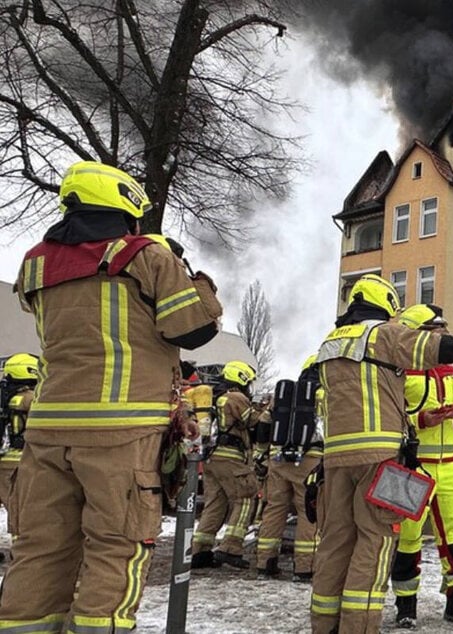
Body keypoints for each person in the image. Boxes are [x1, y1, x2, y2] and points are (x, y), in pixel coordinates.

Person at [0, 160, 222, 632]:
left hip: (48, 433)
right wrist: (188, 273)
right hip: (122, 434)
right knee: (115, 547)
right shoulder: (146, 256)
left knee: (39, 551)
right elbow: (195, 328)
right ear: (125, 208)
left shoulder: (36, 262)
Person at [310, 274, 453, 634]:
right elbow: (449, 347)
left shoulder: (330, 343)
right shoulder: (384, 336)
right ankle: (361, 625)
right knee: (376, 542)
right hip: (383, 458)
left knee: (336, 542)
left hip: (338, 457)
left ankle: (325, 624)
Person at [391, 304, 453, 628]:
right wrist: (421, 419)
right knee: (407, 541)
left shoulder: (449, 371)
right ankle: (406, 606)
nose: (444, 337)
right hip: (413, 468)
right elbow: (390, 416)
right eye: (437, 331)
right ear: (418, 335)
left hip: (450, 466)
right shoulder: (400, 371)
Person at [192, 360, 268, 569]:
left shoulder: (215, 397)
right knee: (246, 498)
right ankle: (230, 548)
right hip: (231, 458)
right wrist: (267, 410)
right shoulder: (235, 397)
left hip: (211, 459)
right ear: (240, 378)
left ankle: (199, 551)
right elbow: (253, 421)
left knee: (215, 504)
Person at [255, 356, 324, 582]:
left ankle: (265, 563)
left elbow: (263, 426)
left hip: (278, 459)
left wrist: (261, 455)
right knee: (308, 511)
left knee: (274, 508)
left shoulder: (282, 396)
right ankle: (304, 567)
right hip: (309, 461)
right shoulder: (325, 396)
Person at [0, 353, 39, 548]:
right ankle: (21, 550)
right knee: (20, 510)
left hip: (3, 459)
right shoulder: (30, 399)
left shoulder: (3, 398)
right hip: (19, 462)